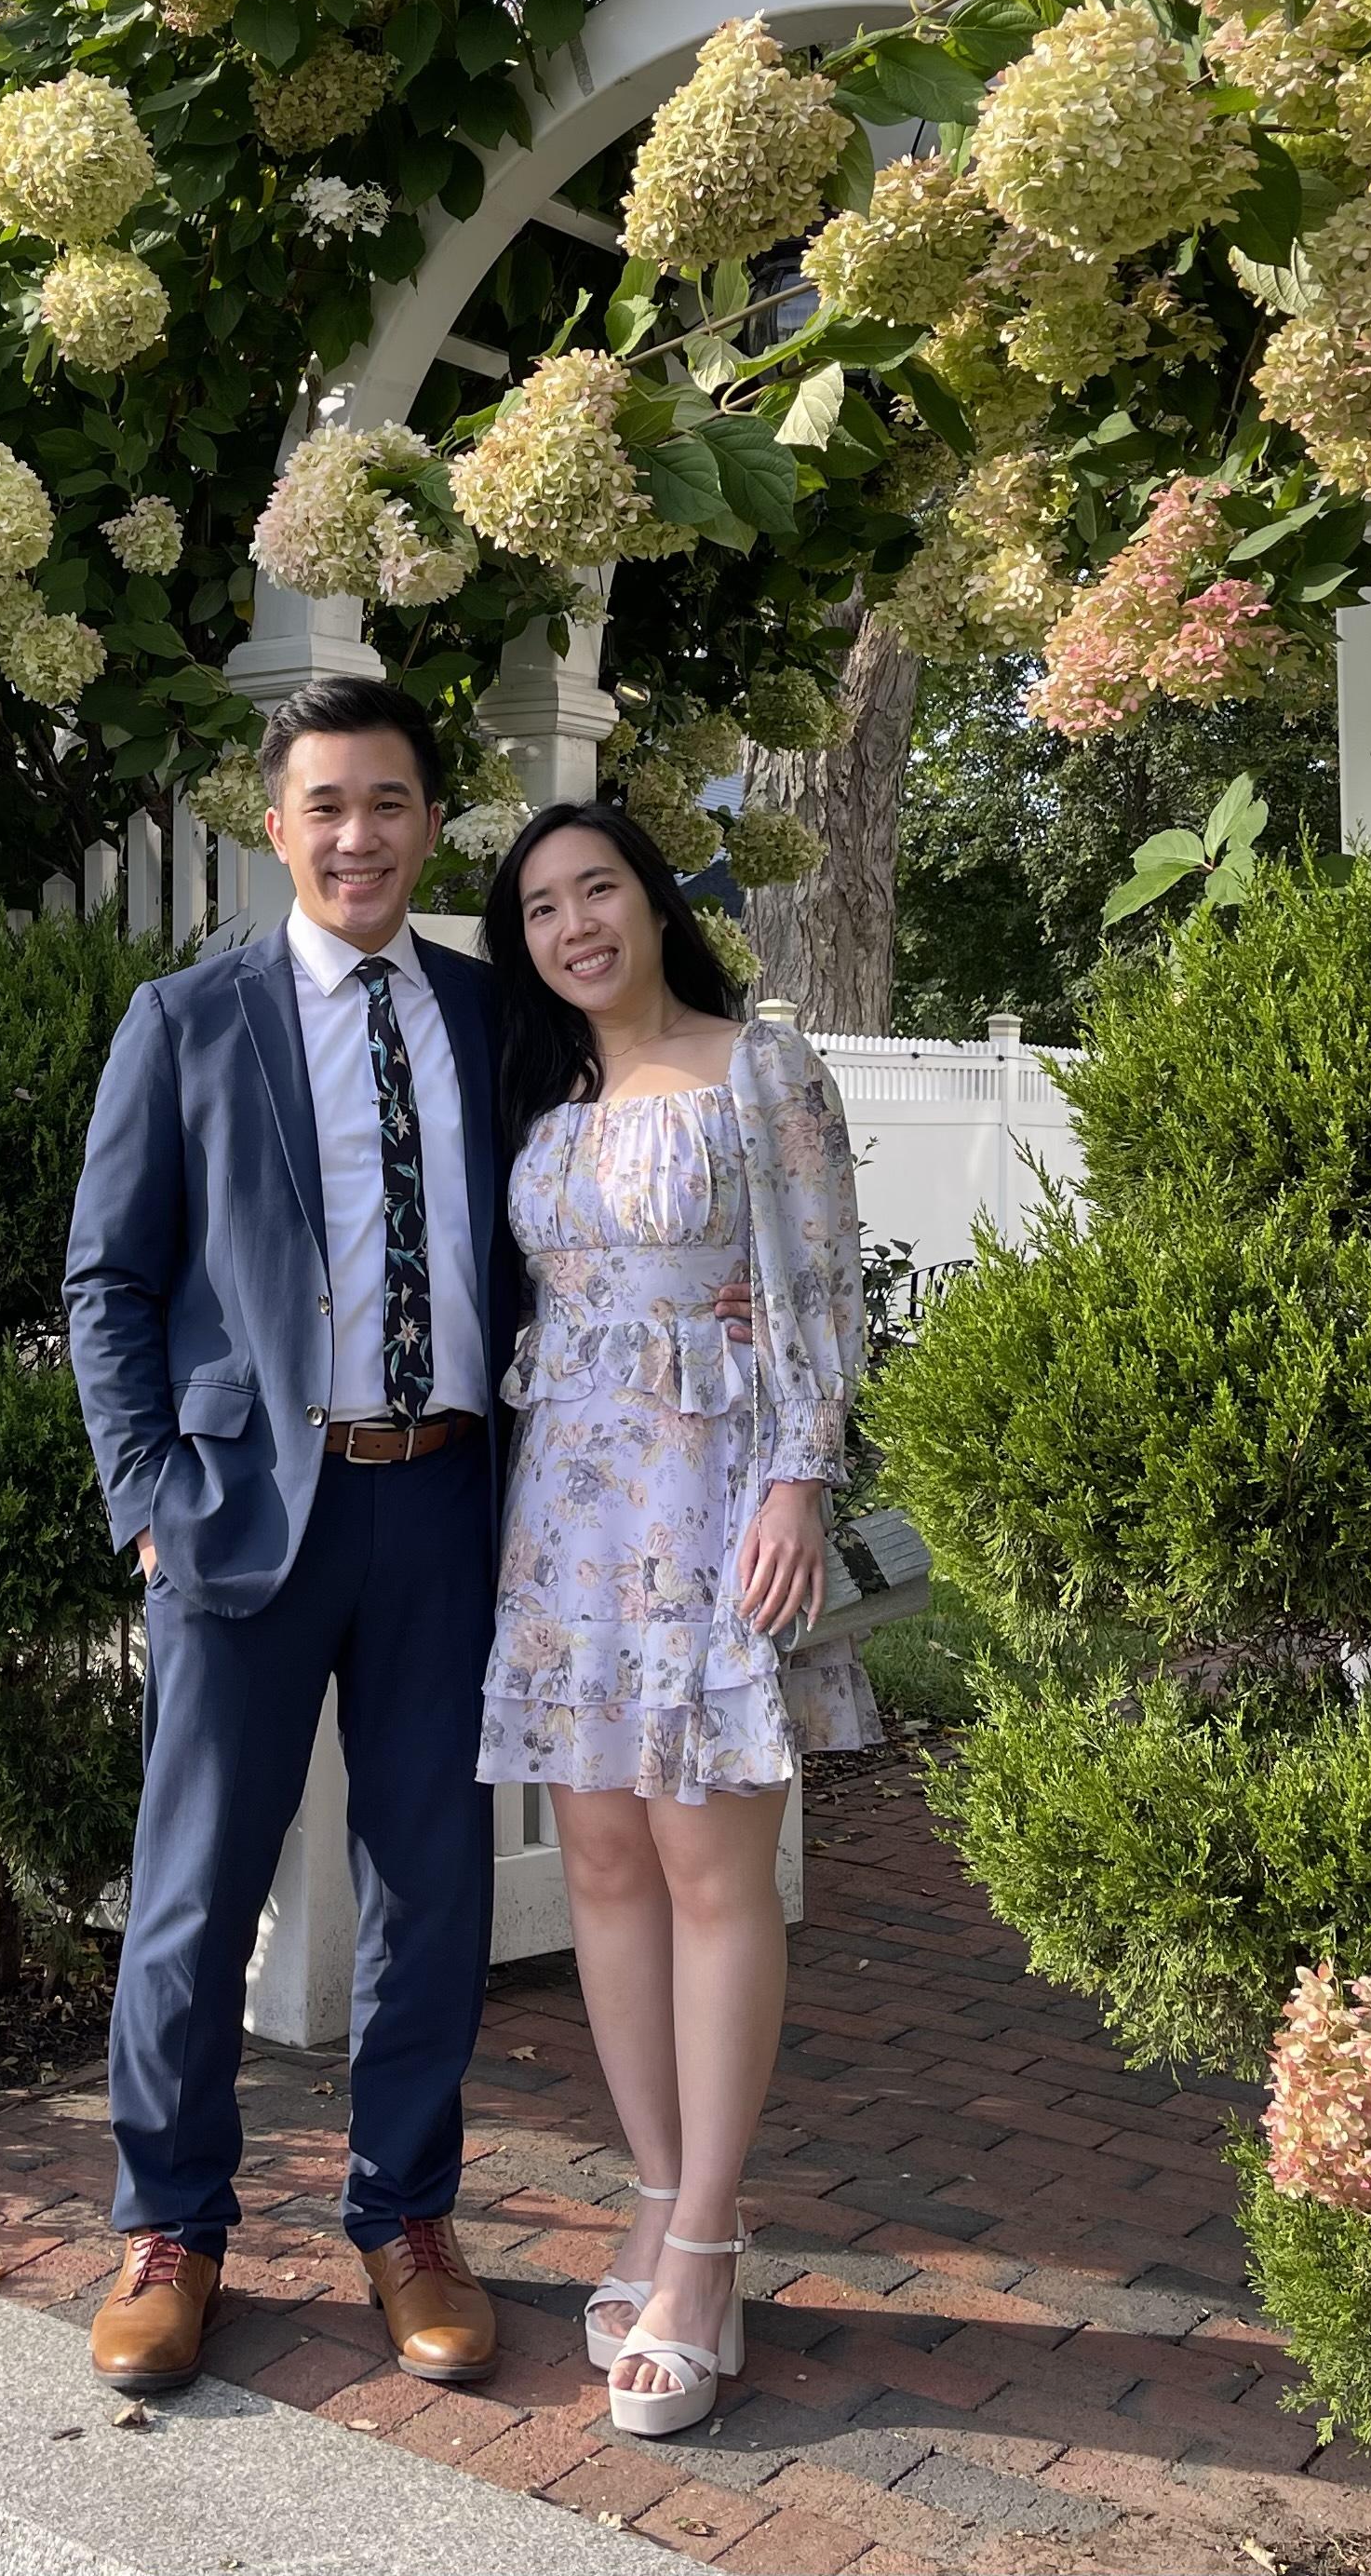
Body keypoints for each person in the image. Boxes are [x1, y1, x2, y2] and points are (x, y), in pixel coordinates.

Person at [62, 673, 516, 2395]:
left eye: (389, 801)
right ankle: (169, 2228)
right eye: (326, 805)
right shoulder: (188, 1020)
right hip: (243, 1513)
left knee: (435, 1887)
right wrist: (147, 1501)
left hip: (447, 1501)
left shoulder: (493, 1016)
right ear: (277, 829)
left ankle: (408, 2218)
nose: (358, 835)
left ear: (430, 822)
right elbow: (108, 1280)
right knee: (195, 1893)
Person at [477, 799, 880, 2438]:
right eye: (542, 908)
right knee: (600, 1859)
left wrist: (799, 1482)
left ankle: (707, 2245)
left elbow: (824, 1282)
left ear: (655, 904)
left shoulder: (757, 1065)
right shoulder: (546, 1097)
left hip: (713, 1495)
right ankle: (654, 2193)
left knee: (711, 1860)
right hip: (569, 1508)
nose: (575, 925)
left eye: (600, 891)